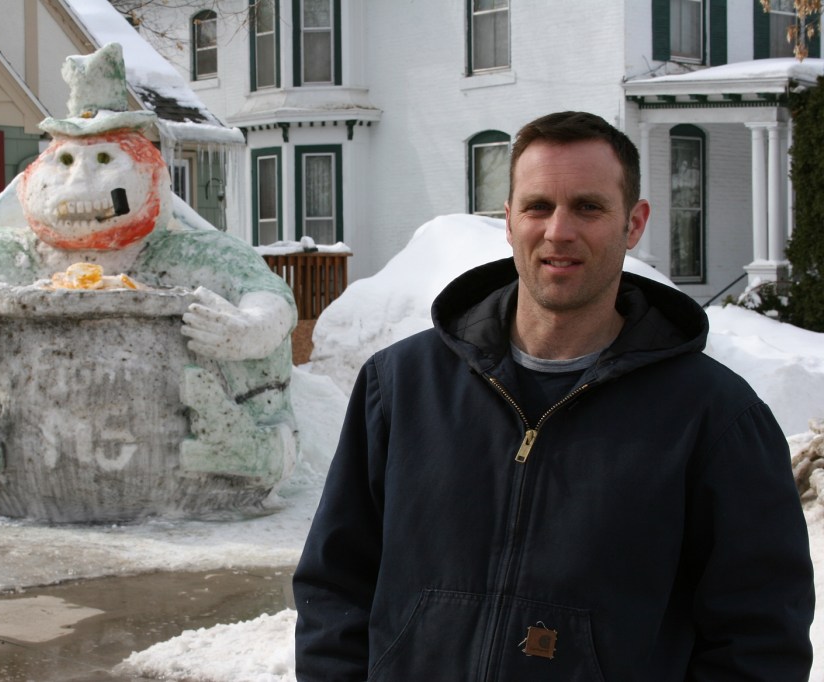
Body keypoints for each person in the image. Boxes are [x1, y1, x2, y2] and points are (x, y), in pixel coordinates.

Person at [292, 111, 814, 680]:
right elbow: (335, 588)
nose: (558, 231)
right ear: (509, 219)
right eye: (538, 206)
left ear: (633, 224)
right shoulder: (400, 387)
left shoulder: (716, 419)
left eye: (588, 207)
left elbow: (759, 640)